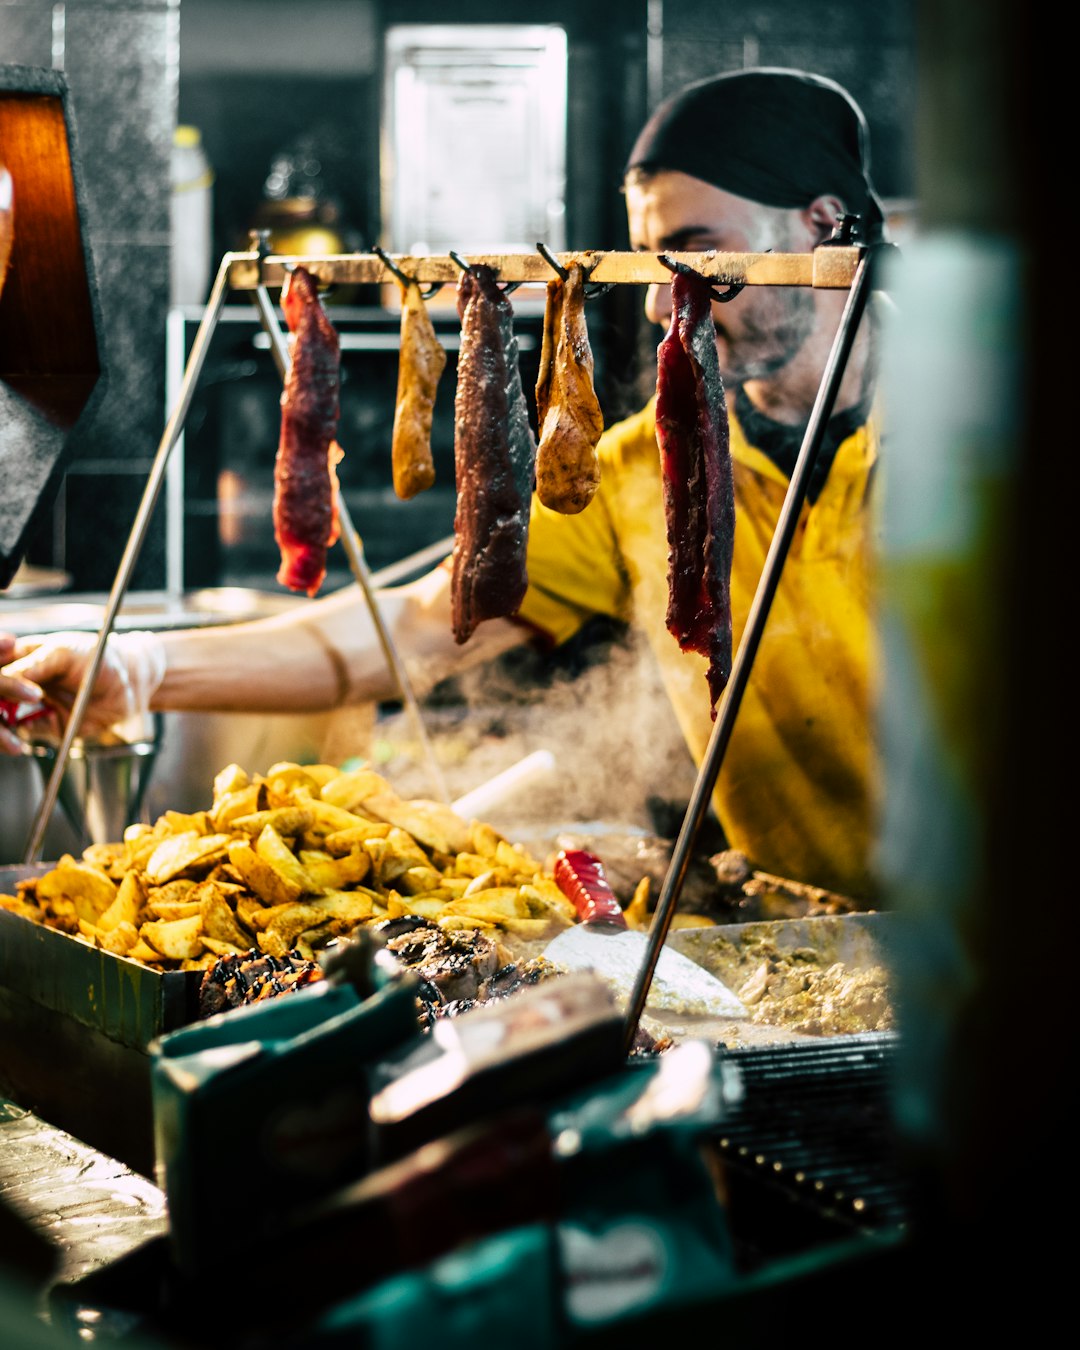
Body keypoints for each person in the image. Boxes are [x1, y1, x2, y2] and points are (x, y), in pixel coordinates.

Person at [1, 68, 888, 902]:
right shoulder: (638, 470)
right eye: (651, 261)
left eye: (698, 252)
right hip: (805, 936)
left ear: (821, 225)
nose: (662, 300)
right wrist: (143, 665)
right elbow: (425, 624)